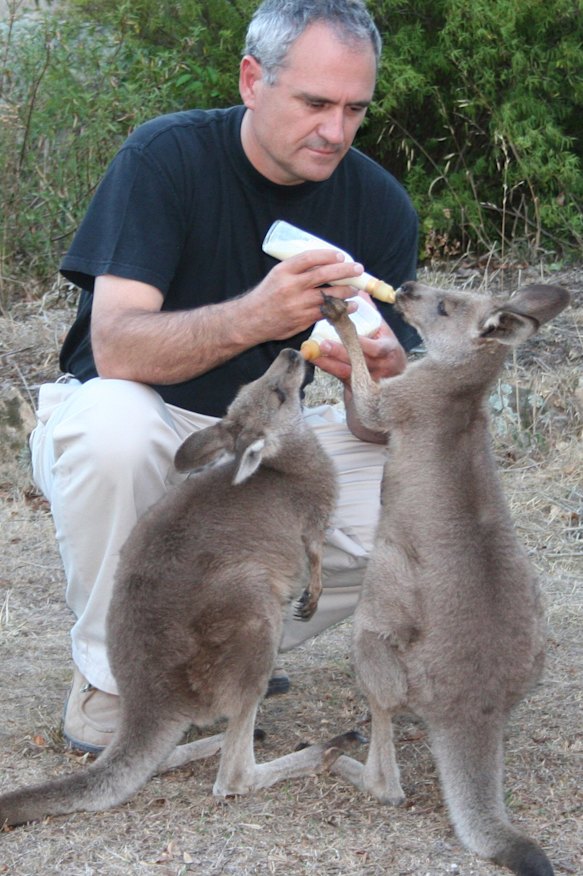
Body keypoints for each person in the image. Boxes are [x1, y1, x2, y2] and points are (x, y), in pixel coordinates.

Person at [30, 0, 419, 753]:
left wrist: (376, 380)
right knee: (114, 428)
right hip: (148, 422)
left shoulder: (378, 204)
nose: (334, 132)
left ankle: (221, 648)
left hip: (271, 443)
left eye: (354, 109)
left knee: (419, 483)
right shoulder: (165, 158)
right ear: (251, 79)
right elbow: (113, 349)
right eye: (314, 103)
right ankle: (115, 682)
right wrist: (257, 316)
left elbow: (372, 424)